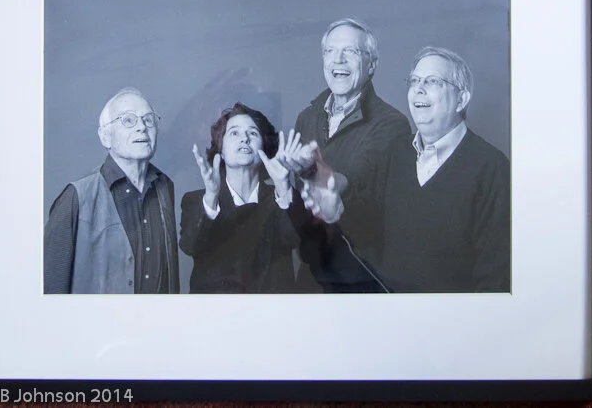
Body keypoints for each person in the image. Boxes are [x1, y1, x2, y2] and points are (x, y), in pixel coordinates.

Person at [379, 47, 510, 292]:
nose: (418, 89)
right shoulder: (394, 153)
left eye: (432, 81)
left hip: (454, 315)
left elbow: (495, 277)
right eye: (414, 81)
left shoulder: (492, 167)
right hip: (391, 312)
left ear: (461, 100)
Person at [291, 19, 410, 288]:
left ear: (372, 65)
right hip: (311, 274)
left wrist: (325, 178)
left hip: (361, 274)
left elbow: (364, 184)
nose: (338, 59)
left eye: (351, 51)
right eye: (330, 51)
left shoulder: (392, 124)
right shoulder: (306, 118)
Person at [44, 87, 179, 293]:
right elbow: (52, 289)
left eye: (148, 119)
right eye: (128, 120)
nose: (142, 127)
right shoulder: (75, 198)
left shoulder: (164, 187)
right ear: (105, 136)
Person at [179, 103, 310, 293]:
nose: (244, 138)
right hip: (215, 311)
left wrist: (283, 186)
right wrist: (212, 197)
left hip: (273, 310)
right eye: (234, 133)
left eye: (253, 133)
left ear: (265, 147)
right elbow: (190, 245)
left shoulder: (284, 197)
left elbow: (304, 244)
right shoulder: (196, 200)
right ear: (221, 150)